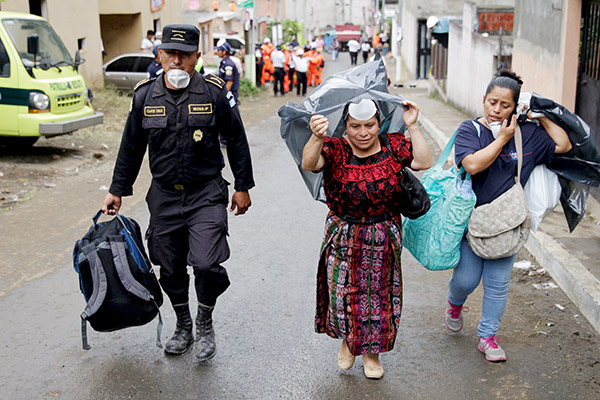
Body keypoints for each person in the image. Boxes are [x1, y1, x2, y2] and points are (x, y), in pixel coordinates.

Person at [101, 24, 255, 362]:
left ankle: (204, 319)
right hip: (164, 196)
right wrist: (117, 189)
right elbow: (131, 148)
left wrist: (242, 185)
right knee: (169, 267)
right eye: (170, 53)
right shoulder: (145, 96)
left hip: (206, 194)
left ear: (198, 58)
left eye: (185, 55)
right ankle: (183, 323)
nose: (177, 60)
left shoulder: (214, 93)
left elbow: (237, 139)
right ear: (159, 55)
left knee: (206, 262)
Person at [444, 70, 572, 362]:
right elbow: (473, 165)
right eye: (492, 102)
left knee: (498, 284)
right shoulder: (470, 131)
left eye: (505, 104)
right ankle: (455, 302)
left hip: (508, 223)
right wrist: (501, 139)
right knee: (466, 279)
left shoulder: (529, 136)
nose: (497, 109)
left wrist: (540, 117)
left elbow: (563, 145)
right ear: (484, 100)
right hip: (472, 222)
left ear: (515, 107)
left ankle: (487, 337)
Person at [302, 99, 432, 379]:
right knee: (341, 291)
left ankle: (371, 354)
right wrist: (316, 136)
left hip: (382, 233)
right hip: (343, 231)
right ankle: (350, 342)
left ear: (379, 124)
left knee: (376, 296)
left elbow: (423, 161)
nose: (363, 132)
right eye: (355, 126)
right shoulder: (335, 148)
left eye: (369, 125)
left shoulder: (392, 145)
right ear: (345, 127)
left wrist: (413, 126)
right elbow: (309, 163)